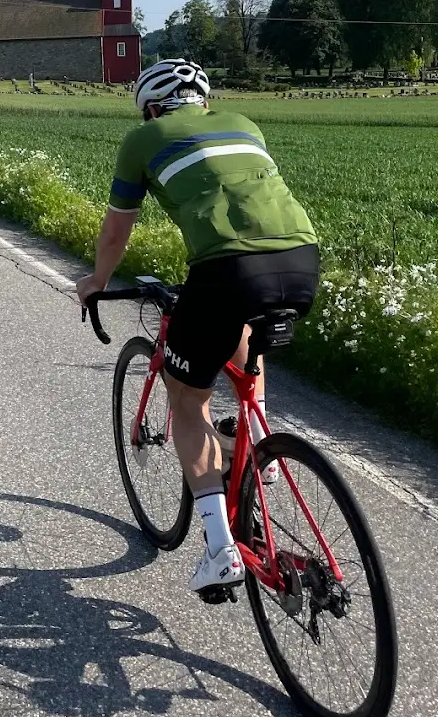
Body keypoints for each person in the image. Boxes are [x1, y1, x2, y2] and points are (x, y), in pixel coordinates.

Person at [76, 59, 319, 596]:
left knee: (188, 403)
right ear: (203, 100)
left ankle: (218, 550)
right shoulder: (244, 125)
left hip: (225, 269)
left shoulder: (145, 138)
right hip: (301, 260)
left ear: (152, 106)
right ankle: (260, 447)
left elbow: (117, 231)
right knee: (243, 341)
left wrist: (96, 280)